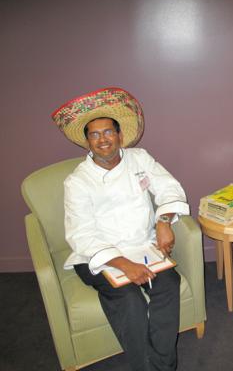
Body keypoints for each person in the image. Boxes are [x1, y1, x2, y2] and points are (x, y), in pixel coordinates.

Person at [52, 87, 190, 371]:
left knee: (169, 285)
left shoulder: (139, 158)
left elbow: (168, 187)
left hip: (143, 245)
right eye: (95, 134)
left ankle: (163, 366)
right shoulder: (77, 182)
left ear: (120, 136)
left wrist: (164, 221)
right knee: (130, 302)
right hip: (100, 256)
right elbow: (80, 234)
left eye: (108, 132)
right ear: (87, 141)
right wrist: (124, 264)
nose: (103, 139)